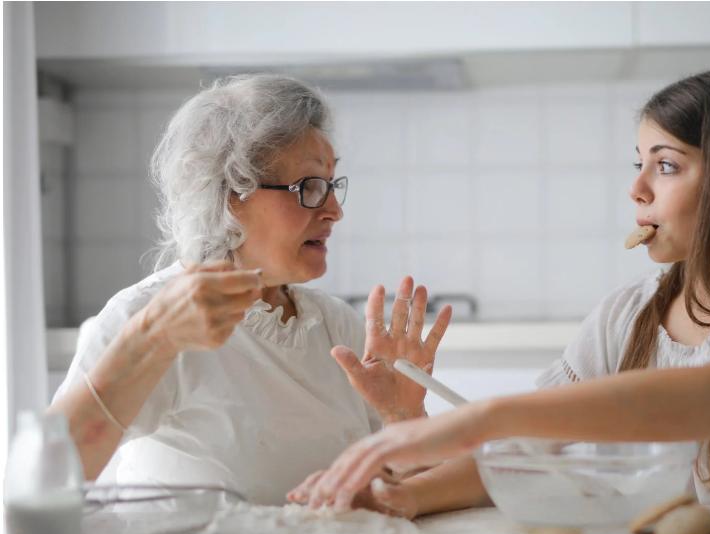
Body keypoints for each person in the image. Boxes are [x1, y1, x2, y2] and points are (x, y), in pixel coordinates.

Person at [292, 67, 710, 515]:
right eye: (638, 162)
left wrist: (487, 414)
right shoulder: (627, 315)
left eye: (665, 165)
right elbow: (531, 451)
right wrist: (404, 495)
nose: (636, 189)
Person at [49, 75, 451, 504]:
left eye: (332, 185)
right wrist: (150, 339)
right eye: (309, 187)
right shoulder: (148, 315)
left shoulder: (336, 325)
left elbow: (404, 494)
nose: (335, 210)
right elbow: (48, 477)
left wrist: (404, 418)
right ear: (228, 195)